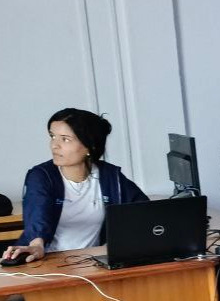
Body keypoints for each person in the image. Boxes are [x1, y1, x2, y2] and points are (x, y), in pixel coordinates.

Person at [2, 108, 147, 263]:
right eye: (52, 136)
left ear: (89, 146)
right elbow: (38, 213)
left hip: (94, 263)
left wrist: (116, 245)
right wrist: (37, 244)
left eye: (65, 139)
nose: (54, 146)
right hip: (44, 262)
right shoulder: (42, 176)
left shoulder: (110, 177)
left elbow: (144, 212)